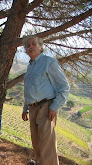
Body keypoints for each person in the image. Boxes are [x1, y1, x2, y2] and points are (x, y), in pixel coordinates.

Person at [22, 35, 70, 165]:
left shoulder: (49, 62)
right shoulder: (31, 66)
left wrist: (54, 107)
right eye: (27, 45)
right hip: (32, 108)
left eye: (33, 44)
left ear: (40, 47)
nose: (30, 46)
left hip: (46, 107)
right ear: (25, 50)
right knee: (36, 143)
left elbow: (64, 87)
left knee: (46, 145)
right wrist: (25, 108)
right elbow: (29, 89)